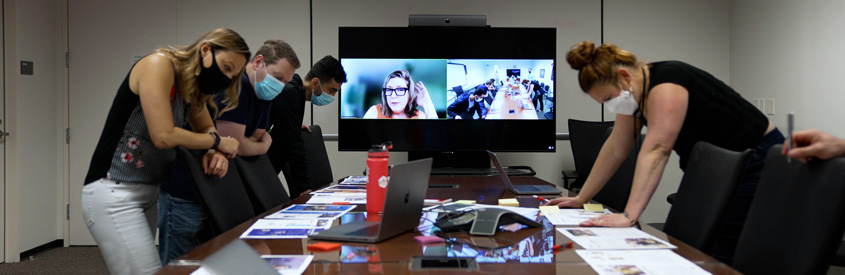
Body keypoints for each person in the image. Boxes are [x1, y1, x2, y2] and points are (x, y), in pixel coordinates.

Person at [544, 41, 784, 264]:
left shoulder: (668, 81)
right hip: (716, 169)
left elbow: (657, 150)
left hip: (758, 158)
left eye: (608, 98)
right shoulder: (634, 95)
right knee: (698, 249)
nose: (610, 106)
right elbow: (616, 147)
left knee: (724, 248)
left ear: (624, 77)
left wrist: (629, 215)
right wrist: (581, 197)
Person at [82, 28, 248, 275]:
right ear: (205, 50)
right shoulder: (158, 64)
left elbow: (207, 128)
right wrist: (216, 143)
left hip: (149, 192)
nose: (226, 78)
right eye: (226, 67)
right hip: (114, 190)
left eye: (232, 75)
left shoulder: (189, 86)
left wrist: (213, 150)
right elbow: (163, 136)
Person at [157, 39, 299, 265]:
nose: (280, 85)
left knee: (209, 261)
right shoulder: (235, 86)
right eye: (278, 77)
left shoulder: (263, 93)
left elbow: (250, 139)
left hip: (216, 187)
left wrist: (252, 143)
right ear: (258, 62)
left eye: (285, 82)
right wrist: (263, 145)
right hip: (187, 189)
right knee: (178, 265)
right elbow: (238, 144)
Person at [267, 55, 347, 199]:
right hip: (257, 168)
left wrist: (293, 124)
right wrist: (304, 189)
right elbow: (295, 146)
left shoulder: (295, 91)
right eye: (331, 90)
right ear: (315, 83)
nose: (332, 96)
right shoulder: (290, 93)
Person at [363, 69, 438, 119]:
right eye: (389, 89)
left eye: (400, 89)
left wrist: (427, 103)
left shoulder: (419, 116)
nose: (393, 96)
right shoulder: (375, 111)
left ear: (409, 93)